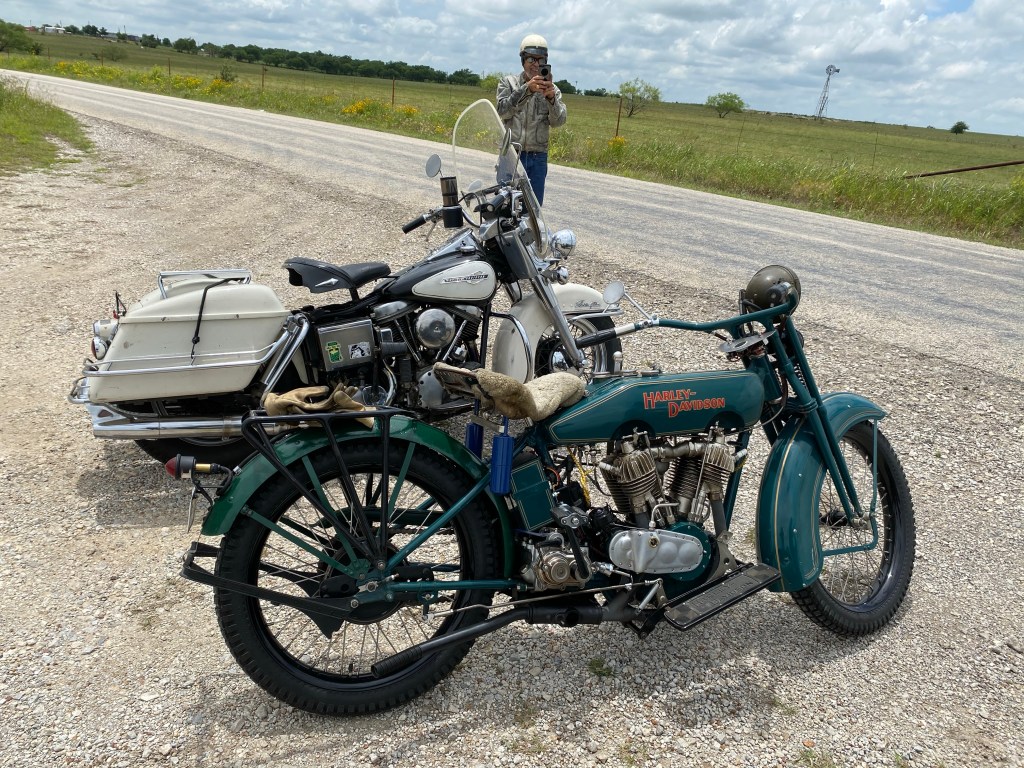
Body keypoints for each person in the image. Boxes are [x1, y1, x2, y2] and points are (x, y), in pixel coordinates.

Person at [496, 34, 567, 205]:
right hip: (511, 154)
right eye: (531, 59)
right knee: (505, 206)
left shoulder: (552, 89)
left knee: (533, 209)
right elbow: (502, 111)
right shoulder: (508, 83)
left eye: (540, 60)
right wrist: (526, 90)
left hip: (537, 157)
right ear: (523, 60)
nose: (535, 64)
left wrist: (551, 100)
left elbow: (559, 121)